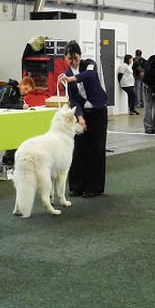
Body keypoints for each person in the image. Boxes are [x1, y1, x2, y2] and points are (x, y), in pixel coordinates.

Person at [60, 41, 107, 198]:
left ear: (80, 56)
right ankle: (76, 186)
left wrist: (72, 78)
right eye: (70, 59)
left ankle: (93, 187)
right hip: (81, 113)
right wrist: (79, 117)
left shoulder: (89, 64)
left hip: (98, 111)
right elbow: (72, 99)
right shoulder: (65, 74)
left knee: (95, 148)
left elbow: (90, 75)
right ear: (65, 58)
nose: (73, 62)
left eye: (76, 58)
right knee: (78, 149)